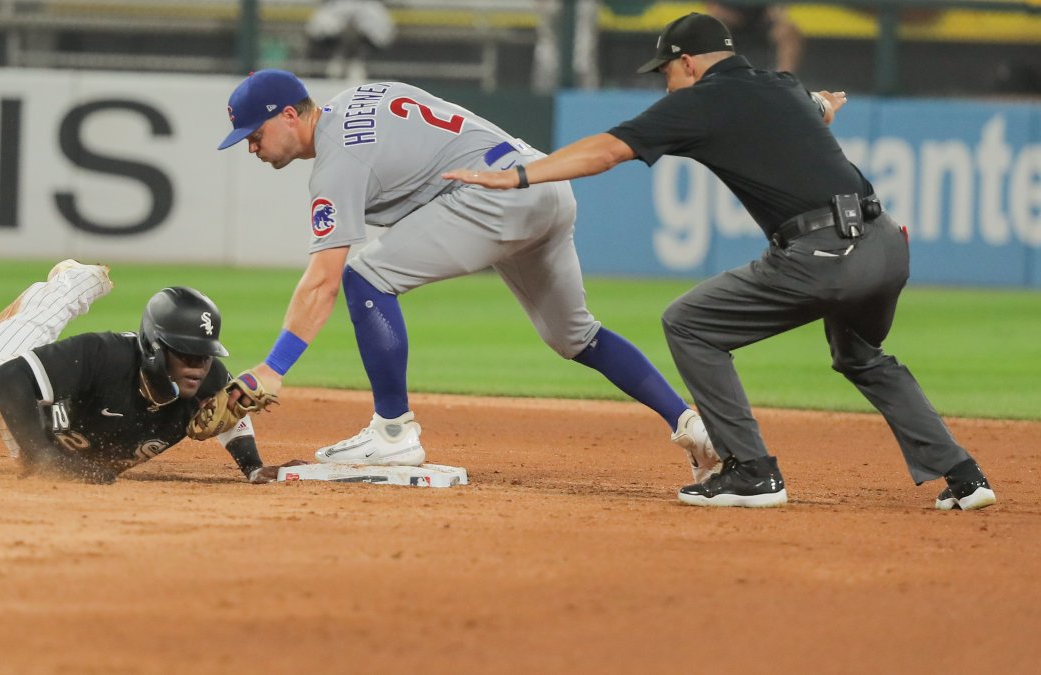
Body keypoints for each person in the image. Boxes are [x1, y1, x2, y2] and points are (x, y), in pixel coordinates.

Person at [443, 13, 996, 511]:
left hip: (823, 253)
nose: (665, 81)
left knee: (690, 323)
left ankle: (752, 471)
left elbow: (607, 151)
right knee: (863, 356)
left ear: (687, 62)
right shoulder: (779, 84)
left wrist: (516, 175)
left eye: (666, 70)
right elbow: (812, 112)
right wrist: (825, 106)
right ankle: (965, 476)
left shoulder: (699, 101)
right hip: (885, 244)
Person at [215, 69, 719, 481]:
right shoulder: (357, 97)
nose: (252, 148)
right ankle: (689, 424)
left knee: (366, 277)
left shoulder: (334, 165)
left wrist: (274, 367)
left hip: (491, 195)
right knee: (576, 336)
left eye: (254, 135)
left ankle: (392, 432)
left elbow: (324, 280)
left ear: (287, 115)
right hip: (543, 179)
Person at [0, 260, 292, 484]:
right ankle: (74, 282)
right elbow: (7, 380)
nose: (198, 365)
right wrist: (42, 456)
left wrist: (253, 466)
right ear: (157, 347)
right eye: (186, 354)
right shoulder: (103, 354)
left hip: (54, 418)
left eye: (205, 355)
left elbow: (230, 412)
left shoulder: (207, 377)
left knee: (52, 450)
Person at [305, 0, 396, 81]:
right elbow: (314, 31)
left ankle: (355, 63)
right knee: (334, 73)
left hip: (365, 61)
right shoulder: (333, 6)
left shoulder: (373, 7)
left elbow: (385, 37)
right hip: (333, 58)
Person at [706, 2, 803, 73]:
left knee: (788, 30)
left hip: (761, 22)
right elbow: (712, 6)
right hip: (731, 23)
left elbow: (779, 8)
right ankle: (714, 78)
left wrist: (776, 10)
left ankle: (785, 81)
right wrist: (723, 13)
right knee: (710, 28)